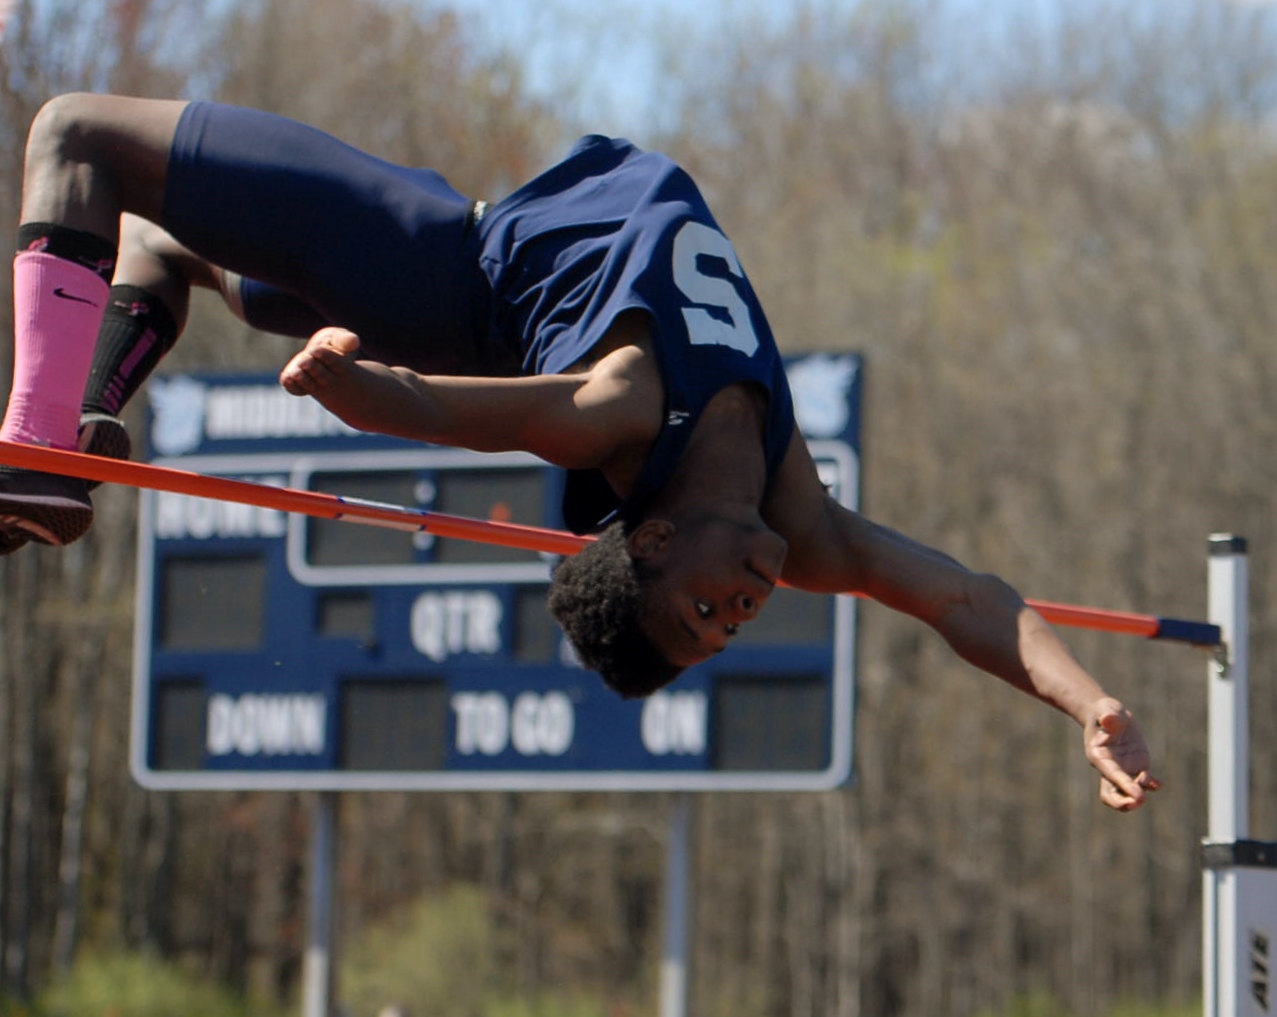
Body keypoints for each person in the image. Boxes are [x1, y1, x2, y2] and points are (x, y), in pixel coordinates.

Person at [0, 94, 1160, 812]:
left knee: (74, 133)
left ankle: (37, 447)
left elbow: (450, 414)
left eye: (699, 615)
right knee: (168, 242)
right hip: (448, 230)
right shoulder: (796, 519)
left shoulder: (614, 413)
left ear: (649, 541)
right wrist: (1083, 702)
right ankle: (96, 391)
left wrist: (354, 390)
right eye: (728, 632)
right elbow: (964, 598)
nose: (739, 614)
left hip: (434, 271)